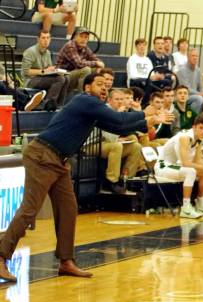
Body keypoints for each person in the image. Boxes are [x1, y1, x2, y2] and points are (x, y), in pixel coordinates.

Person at [0, 73, 171, 282]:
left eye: (106, 86)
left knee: (68, 209)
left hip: (60, 161)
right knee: (29, 210)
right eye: (99, 84)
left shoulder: (93, 110)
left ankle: (66, 261)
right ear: (87, 87)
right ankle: (1, 257)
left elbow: (118, 126)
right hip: (43, 155)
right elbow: (119, 119)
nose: (104, 88)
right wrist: (145, 113)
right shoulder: (84, 101)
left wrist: (149, 120)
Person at [155, 113, 203, 218]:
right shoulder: (185, 137)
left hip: (175, 165)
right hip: (163, 165)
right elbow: (185, 163)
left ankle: (202, 203)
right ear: (194, 127)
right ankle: (186, 208)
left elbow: (197, 160)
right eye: (200, 128)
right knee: (191, 171)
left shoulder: (200, 138)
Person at [21, 30, 69, 111]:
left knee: (66, 78)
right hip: (30, 80)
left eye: (48, 38)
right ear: (38, 39)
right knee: (59, 79)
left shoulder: (48, 52)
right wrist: (43, 71)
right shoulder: (30, 51)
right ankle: (46, 104)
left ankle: (59, 106)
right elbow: (26, 71)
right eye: (43, 38)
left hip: (43, 78)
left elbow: (48, 69)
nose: (46, 40)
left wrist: (54, 70)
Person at [56, 27, 105, 92]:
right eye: (81, 36)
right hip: (62, 77)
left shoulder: (84, 47)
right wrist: (96, 63)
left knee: (97, 70)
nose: (83, 39)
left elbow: (95, 59)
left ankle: (95, 93)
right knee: (86, 70)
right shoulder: (70, 46)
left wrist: (99, 67)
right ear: (75, 37)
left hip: (71, 75)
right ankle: (82, 95)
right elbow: (79, 64)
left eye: (86, 37)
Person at [176, 48, 203, 114]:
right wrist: (202, 94)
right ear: (188, 57)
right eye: (193, 56)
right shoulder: (182, 70)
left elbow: (201, 87)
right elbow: (186, 89)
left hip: (197, 94)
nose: (195, 58)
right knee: (199, 99)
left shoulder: (198, 70)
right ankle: (194, 120)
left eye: (196, 56)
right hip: (185, 95)